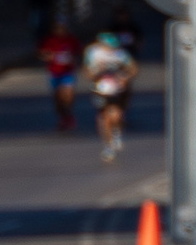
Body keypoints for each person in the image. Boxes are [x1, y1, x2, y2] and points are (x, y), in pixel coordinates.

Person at [82, 28, 137, 161]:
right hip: (100, 89)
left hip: (116, 89)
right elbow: (87, 72)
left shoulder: (120, 54)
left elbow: (133, 68)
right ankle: (108, 146)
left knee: (116, 116)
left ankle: (116, 132)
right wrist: (95, 74)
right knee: (104, 117)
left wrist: (126, 78)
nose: (110, 49)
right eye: (108, 46)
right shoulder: (93, 52)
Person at [38, 20, 80, 132]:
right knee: (57, 99)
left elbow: (78, 52)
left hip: (68, 72)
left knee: (68, 96)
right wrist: (48, 56)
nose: (60, 31)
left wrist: (74, 60)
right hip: (55, 73)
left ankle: (69, 115)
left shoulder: (71, 39)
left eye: (63, 28)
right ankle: (63, 117)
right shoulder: (49, 40)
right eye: (58, 28)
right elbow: (41, 53)